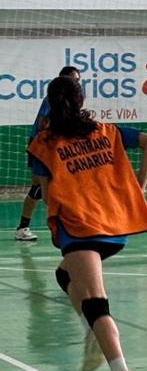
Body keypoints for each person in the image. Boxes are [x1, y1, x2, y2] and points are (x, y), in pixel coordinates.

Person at [26, 75, 147, 371]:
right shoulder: (105, 129)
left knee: (95, 301)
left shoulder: (43, 142)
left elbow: (43, 188)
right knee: (63, 275)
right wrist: (139, 188)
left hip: (80, 226)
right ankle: (91, 332)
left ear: (49, 105)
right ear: (82, 100)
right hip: (116, 224)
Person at [14, 65, 80, 241]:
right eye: (74, 80)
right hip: (40, 145)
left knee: (52, 186)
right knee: (39, 187)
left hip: (53, 145)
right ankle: (24, 227)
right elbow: (43, 124)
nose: (77, 83)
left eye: (78, 80)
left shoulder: (69, 100)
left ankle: (61, 223)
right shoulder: (52, 99)